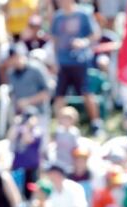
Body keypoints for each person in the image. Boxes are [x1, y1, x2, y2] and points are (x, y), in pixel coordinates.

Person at [50, 0, 102, 135]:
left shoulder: (83, 14)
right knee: (59, 96)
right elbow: (55, 40)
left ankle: (96, 123)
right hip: (63, 62)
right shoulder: (58, 17)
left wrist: (83, 42)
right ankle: (60, 127)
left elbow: (95, 34)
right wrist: (55, 60)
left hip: (80, 61)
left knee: (87, 93)